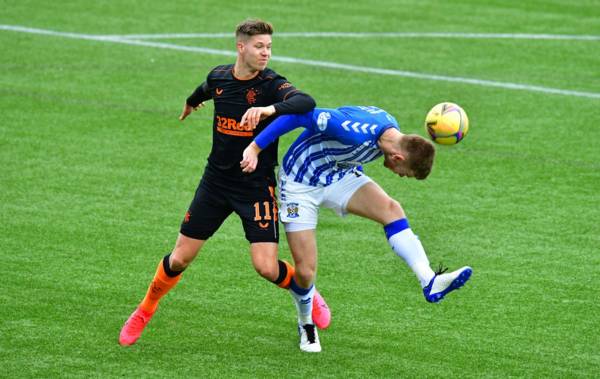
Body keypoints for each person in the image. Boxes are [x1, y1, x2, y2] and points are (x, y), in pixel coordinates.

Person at [119, 19, 331, 347]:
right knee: (179, 259)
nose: (265, 53)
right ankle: (145, 310)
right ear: (241, 47)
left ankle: (306, 290)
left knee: (264, 267)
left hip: (256, 187)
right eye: (259, 46)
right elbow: (205, 89)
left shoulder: (272, 84)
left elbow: (307, 102)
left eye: (269, 47)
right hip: (215, 184)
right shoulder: (219, 77)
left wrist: (268, 110)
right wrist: (191, 102)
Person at [241, 105, 473, 352]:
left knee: (391, 210)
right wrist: (255, 148)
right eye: (404, 174)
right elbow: (300, 114)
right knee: (306, 271)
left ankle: (429, 281)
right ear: (398, 158)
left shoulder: (389, 132)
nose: (400, 176)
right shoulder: (353, 130)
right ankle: (306, 323)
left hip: (338, 176)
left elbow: (354, 152)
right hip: (301, 184)